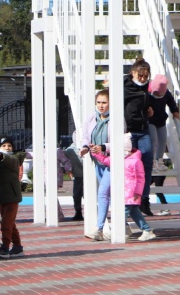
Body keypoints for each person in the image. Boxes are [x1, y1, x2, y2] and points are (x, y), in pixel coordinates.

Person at [92, 133, 155, 241]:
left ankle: (117, 232)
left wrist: (138, 193)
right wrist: (95, 153)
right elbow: (105, 160)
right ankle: (147, 230)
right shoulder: (118, 159)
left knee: (122, 213)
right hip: (124, 193)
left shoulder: (136, 161)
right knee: (135, 213)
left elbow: (140, 178)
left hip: (131, 193)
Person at [123, 58, 155, 216]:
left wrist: (148, 107)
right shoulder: (124, 86)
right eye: (140, 76)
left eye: (145, 76)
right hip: (129, 131)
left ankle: (144, 199)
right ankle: (130, 199)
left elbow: (145, 101)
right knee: (131, 166)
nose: (142, 79)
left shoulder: (145, 88)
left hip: (143, 129)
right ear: (133, 73)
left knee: (147, 162)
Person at [81, 89, 114, 241]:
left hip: (112, 162)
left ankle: (99, 228)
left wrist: (103, 147)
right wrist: (85, 147)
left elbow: (122, 142)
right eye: (98, 102)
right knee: (109, 195)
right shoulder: (91, 118)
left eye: (104, 102)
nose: (101, 106)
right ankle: (124, 225)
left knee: (102, 193)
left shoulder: (115, 119)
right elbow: (86, 137)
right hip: (98, 161)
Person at [0, 136, 26, 258]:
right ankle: (17, 247)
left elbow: (11, 161)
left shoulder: (15, 157)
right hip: (1, 196)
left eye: (9, 146)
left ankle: (5, 247)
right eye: (4, 146)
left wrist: (0, 155)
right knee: (10, 223)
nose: (7, 148)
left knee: (6, 223)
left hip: (12, 196)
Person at [147, 74, 180, 172]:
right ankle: (151, 161)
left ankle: (159, 161)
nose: (158, 95)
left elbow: (172, 104)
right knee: (153, 139)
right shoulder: (147, 93)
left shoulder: (167, 94)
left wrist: (176, 113)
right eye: (156, 93)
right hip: (150, 120)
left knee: (163, 140)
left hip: (161, 120)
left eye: (160, 94)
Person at [63, 132, 84, 221]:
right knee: (76, 195)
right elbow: (65, 161)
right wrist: (68, 171)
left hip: (90, 177)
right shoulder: (70, 150)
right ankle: (78, 211)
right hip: (78, 176)